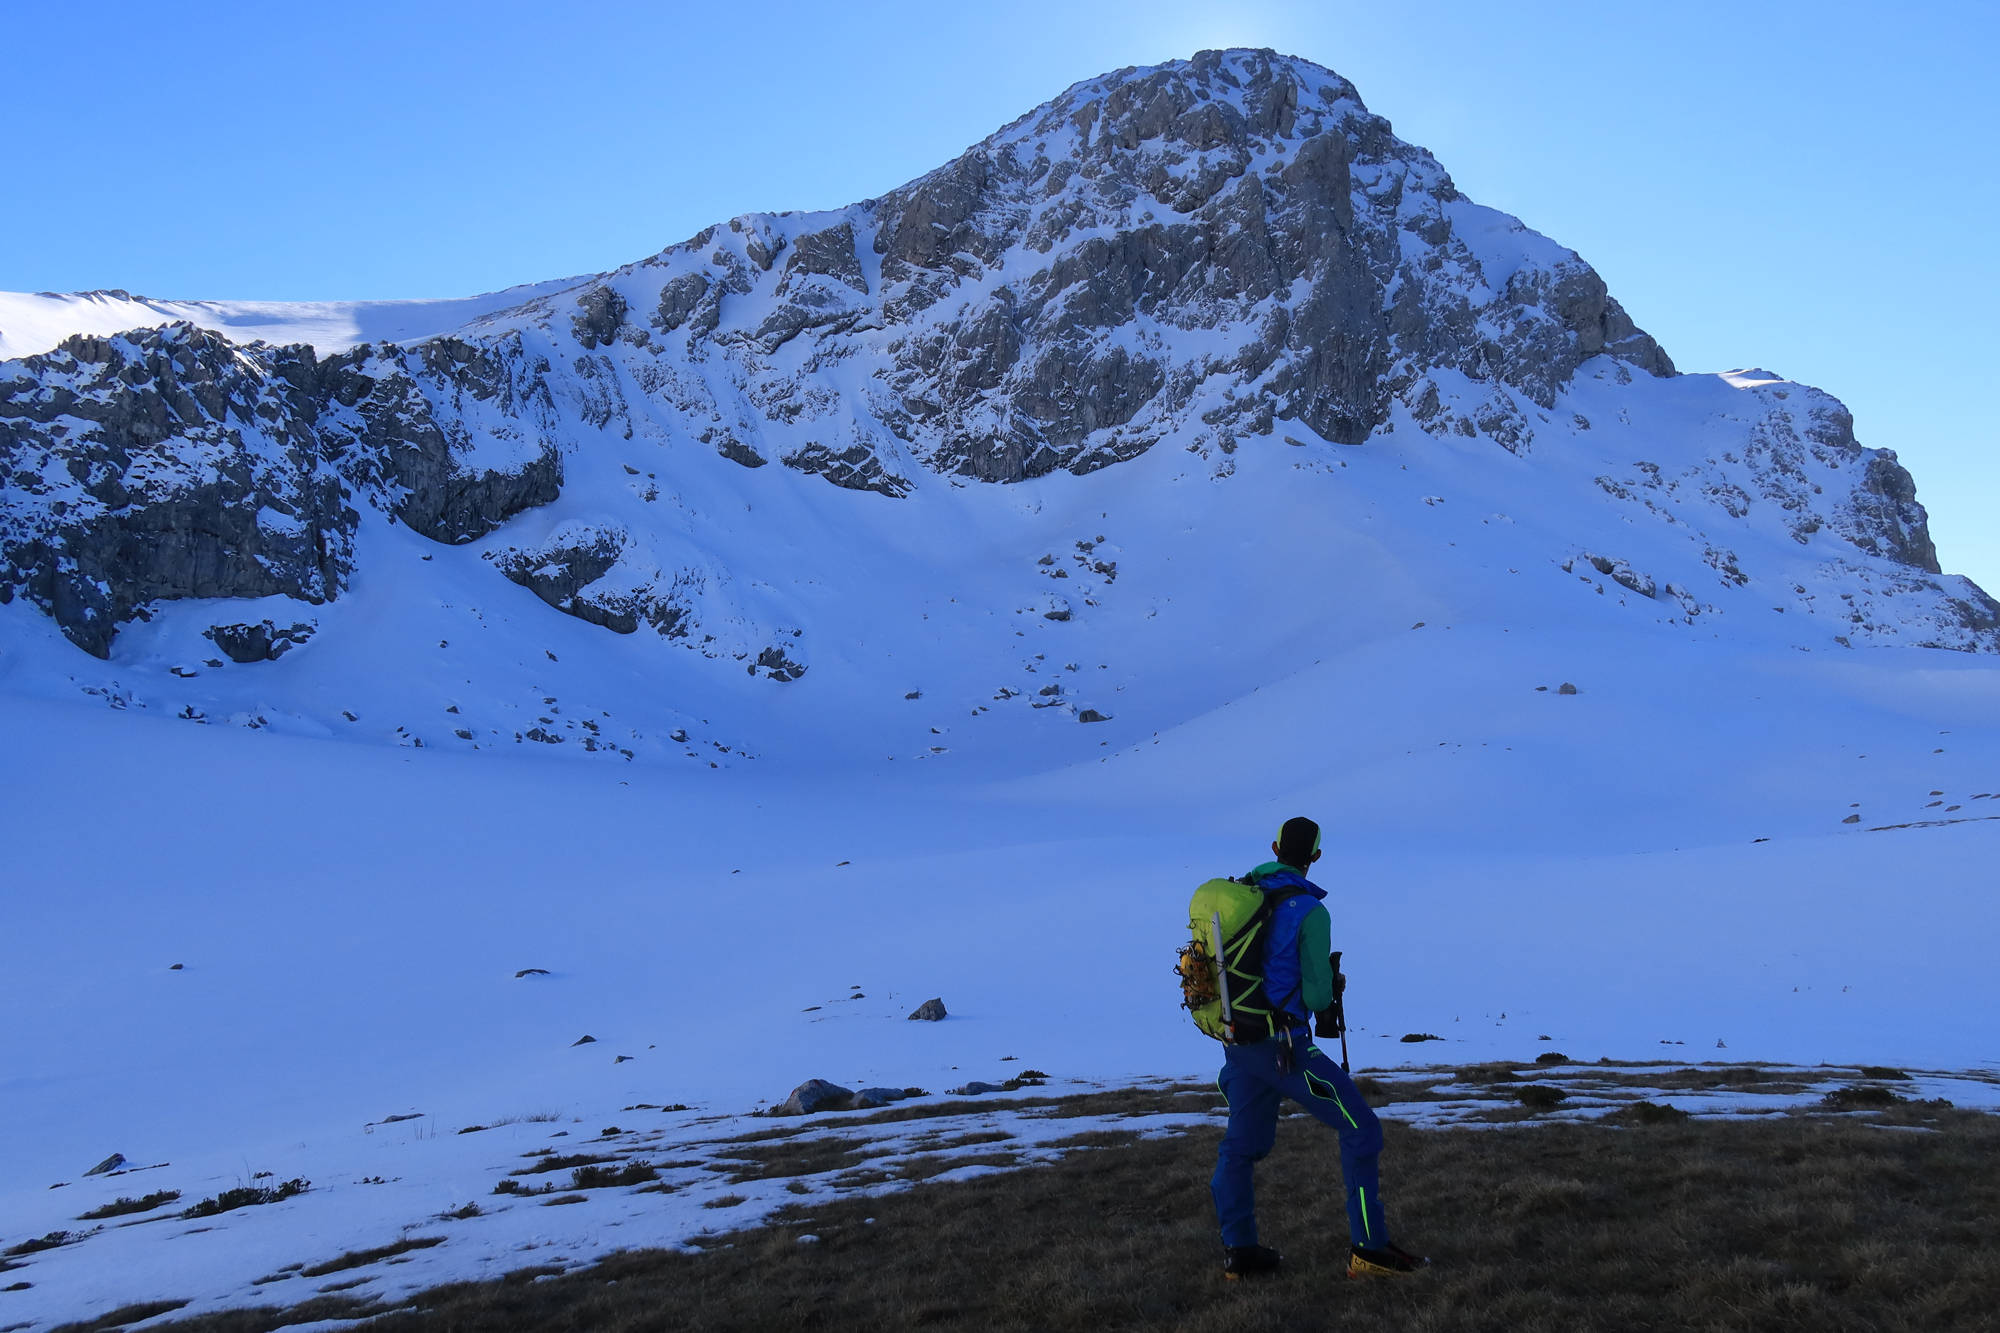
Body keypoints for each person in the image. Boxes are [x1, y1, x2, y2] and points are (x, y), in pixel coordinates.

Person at [1212, 816, 1428, 1280]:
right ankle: (1369, 1250)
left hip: (1242, 1045)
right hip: (1287, 1049)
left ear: (1273, 847)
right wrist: (1329, 984)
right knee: (1362, 1129)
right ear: (1316, 857)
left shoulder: (1243, 896)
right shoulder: (1311, 911)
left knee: (1240, 1147)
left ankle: (1240, 1252)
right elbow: (1315, 998)